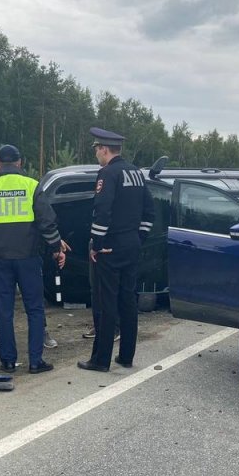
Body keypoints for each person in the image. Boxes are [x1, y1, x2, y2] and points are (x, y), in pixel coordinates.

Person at [0, 145, 65, 374]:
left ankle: (8, 361)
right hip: (28, 258)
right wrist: (57, 247)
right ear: (19, 163)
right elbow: (47, 222)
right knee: (35, 309)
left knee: (4, 310)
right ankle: (36, 361)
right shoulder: (32, 186)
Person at [77, 127, 154, 372]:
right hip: (131, 246)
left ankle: (100, 360)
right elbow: (149, 212)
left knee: (104, 303)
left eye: (97, 149)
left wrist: (97, 245)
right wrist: (137, 238)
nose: (97, 154)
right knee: (128, 301)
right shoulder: (137, 173)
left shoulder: (107, 174)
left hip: (109, 248)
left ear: (104, 149)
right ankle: (126, 356)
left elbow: (102, 211)